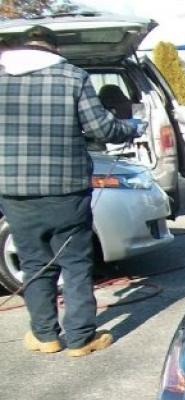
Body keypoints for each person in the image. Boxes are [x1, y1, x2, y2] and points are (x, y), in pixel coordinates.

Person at [0, 25, 145, 357]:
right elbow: (102, 128)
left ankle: (45, 336)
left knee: (34, 262)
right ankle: (80, 339)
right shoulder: (72, 76)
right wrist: (131, 128)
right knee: (76, 262)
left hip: (13, 190)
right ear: (54, 49)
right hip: (66, 189)